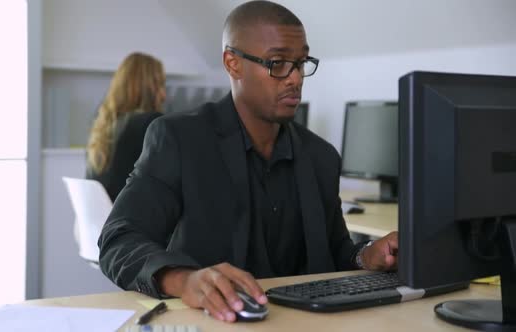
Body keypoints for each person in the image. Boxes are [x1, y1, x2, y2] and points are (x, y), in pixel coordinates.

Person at [98, 0, 398, 323]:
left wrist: (366, 256)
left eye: (301, 63)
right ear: (233, 63)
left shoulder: (321, 157)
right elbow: (119, 240)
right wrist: (184, 279)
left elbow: (336, 253)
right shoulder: (179, 140)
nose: (295, 78)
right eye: (278, 63)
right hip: (216, 322)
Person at [86, 52, 167, 202]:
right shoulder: (151, 123)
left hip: (107, 220)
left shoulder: (105, 123)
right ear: (146, 88)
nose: (164, 95)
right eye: (160, 85)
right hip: (130, 220)